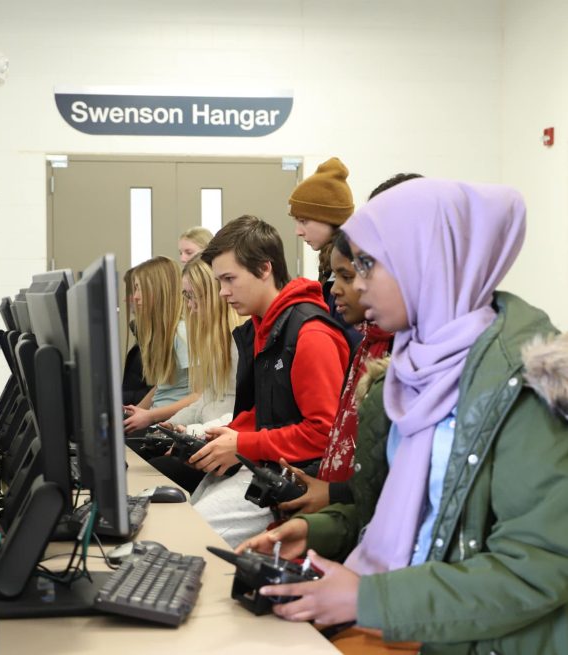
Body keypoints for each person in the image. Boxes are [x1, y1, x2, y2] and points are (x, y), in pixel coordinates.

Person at [237, 178, 568, 654]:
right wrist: (317, 530)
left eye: (370, 264)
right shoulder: (411, 372)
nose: (357, 282)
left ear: (425, 262)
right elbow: (404, 516)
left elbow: (535, 569)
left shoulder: (526, 387)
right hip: (406, 617)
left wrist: (369, 598)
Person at [187, 215, 351, 547]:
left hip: (294, 478)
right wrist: (234, 433)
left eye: (229, 279)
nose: (222, 293)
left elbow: (324, 434)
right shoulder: (263, 327)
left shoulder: (310, 334)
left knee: (191, 537)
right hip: (268, 464)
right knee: (183, 517)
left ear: (264, 269)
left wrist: (243, 445)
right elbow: (272, 411)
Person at [276, 230, 393, 516]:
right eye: (333, 277)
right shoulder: (366, 344)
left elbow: (391, 475)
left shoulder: (401, 352)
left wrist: (333, 492)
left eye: (347, 277)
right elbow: (343, 441)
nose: (334, 289)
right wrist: (310, 477)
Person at [148, 254, 245, 492]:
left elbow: (240, 411)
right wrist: (169, 426)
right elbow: (204, 401)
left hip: (222, 446)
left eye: (194, 297)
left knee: (156, 472)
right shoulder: (211, 340)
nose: (189, 306)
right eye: (186, 297)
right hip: (205, 436)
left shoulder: (240, 342)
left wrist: (194, 432)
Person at [289, 157, 361, 350]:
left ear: (331, 219)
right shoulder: (328, 267)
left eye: (304, 221)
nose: (298, 231)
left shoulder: (354, 265)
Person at [123, 256, 200, 435]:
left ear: (158, 291)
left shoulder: (182, 334)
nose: (135, 296)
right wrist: (132, 415)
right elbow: (162, 386)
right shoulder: (164, 334)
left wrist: (149, 416)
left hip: (170, 424)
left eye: (139, 288)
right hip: (157, 419)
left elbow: (199, 396)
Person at [121, 266, 153, 406]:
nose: (128, 299)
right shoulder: (142, 334)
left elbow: (159, 390)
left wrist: (118, 398)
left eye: (135, 290)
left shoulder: (160, 337)